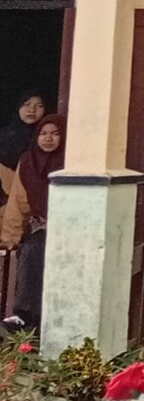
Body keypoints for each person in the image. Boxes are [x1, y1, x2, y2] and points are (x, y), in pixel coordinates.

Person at [6, 117, 60, 329]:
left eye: (55, 133)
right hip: (40, 228)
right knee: (31, 251)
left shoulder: (69, 163)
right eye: (43, 133)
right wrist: (10, 237)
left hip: (67, 230)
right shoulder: (28, 162)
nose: (48, 138)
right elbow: (17, 202)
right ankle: (24, 317)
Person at [0, 94, 44, 171]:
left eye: (39, 106)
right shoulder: (3, 135)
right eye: (27, 104)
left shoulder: (47, 136)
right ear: (18, 107)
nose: (32, 110)